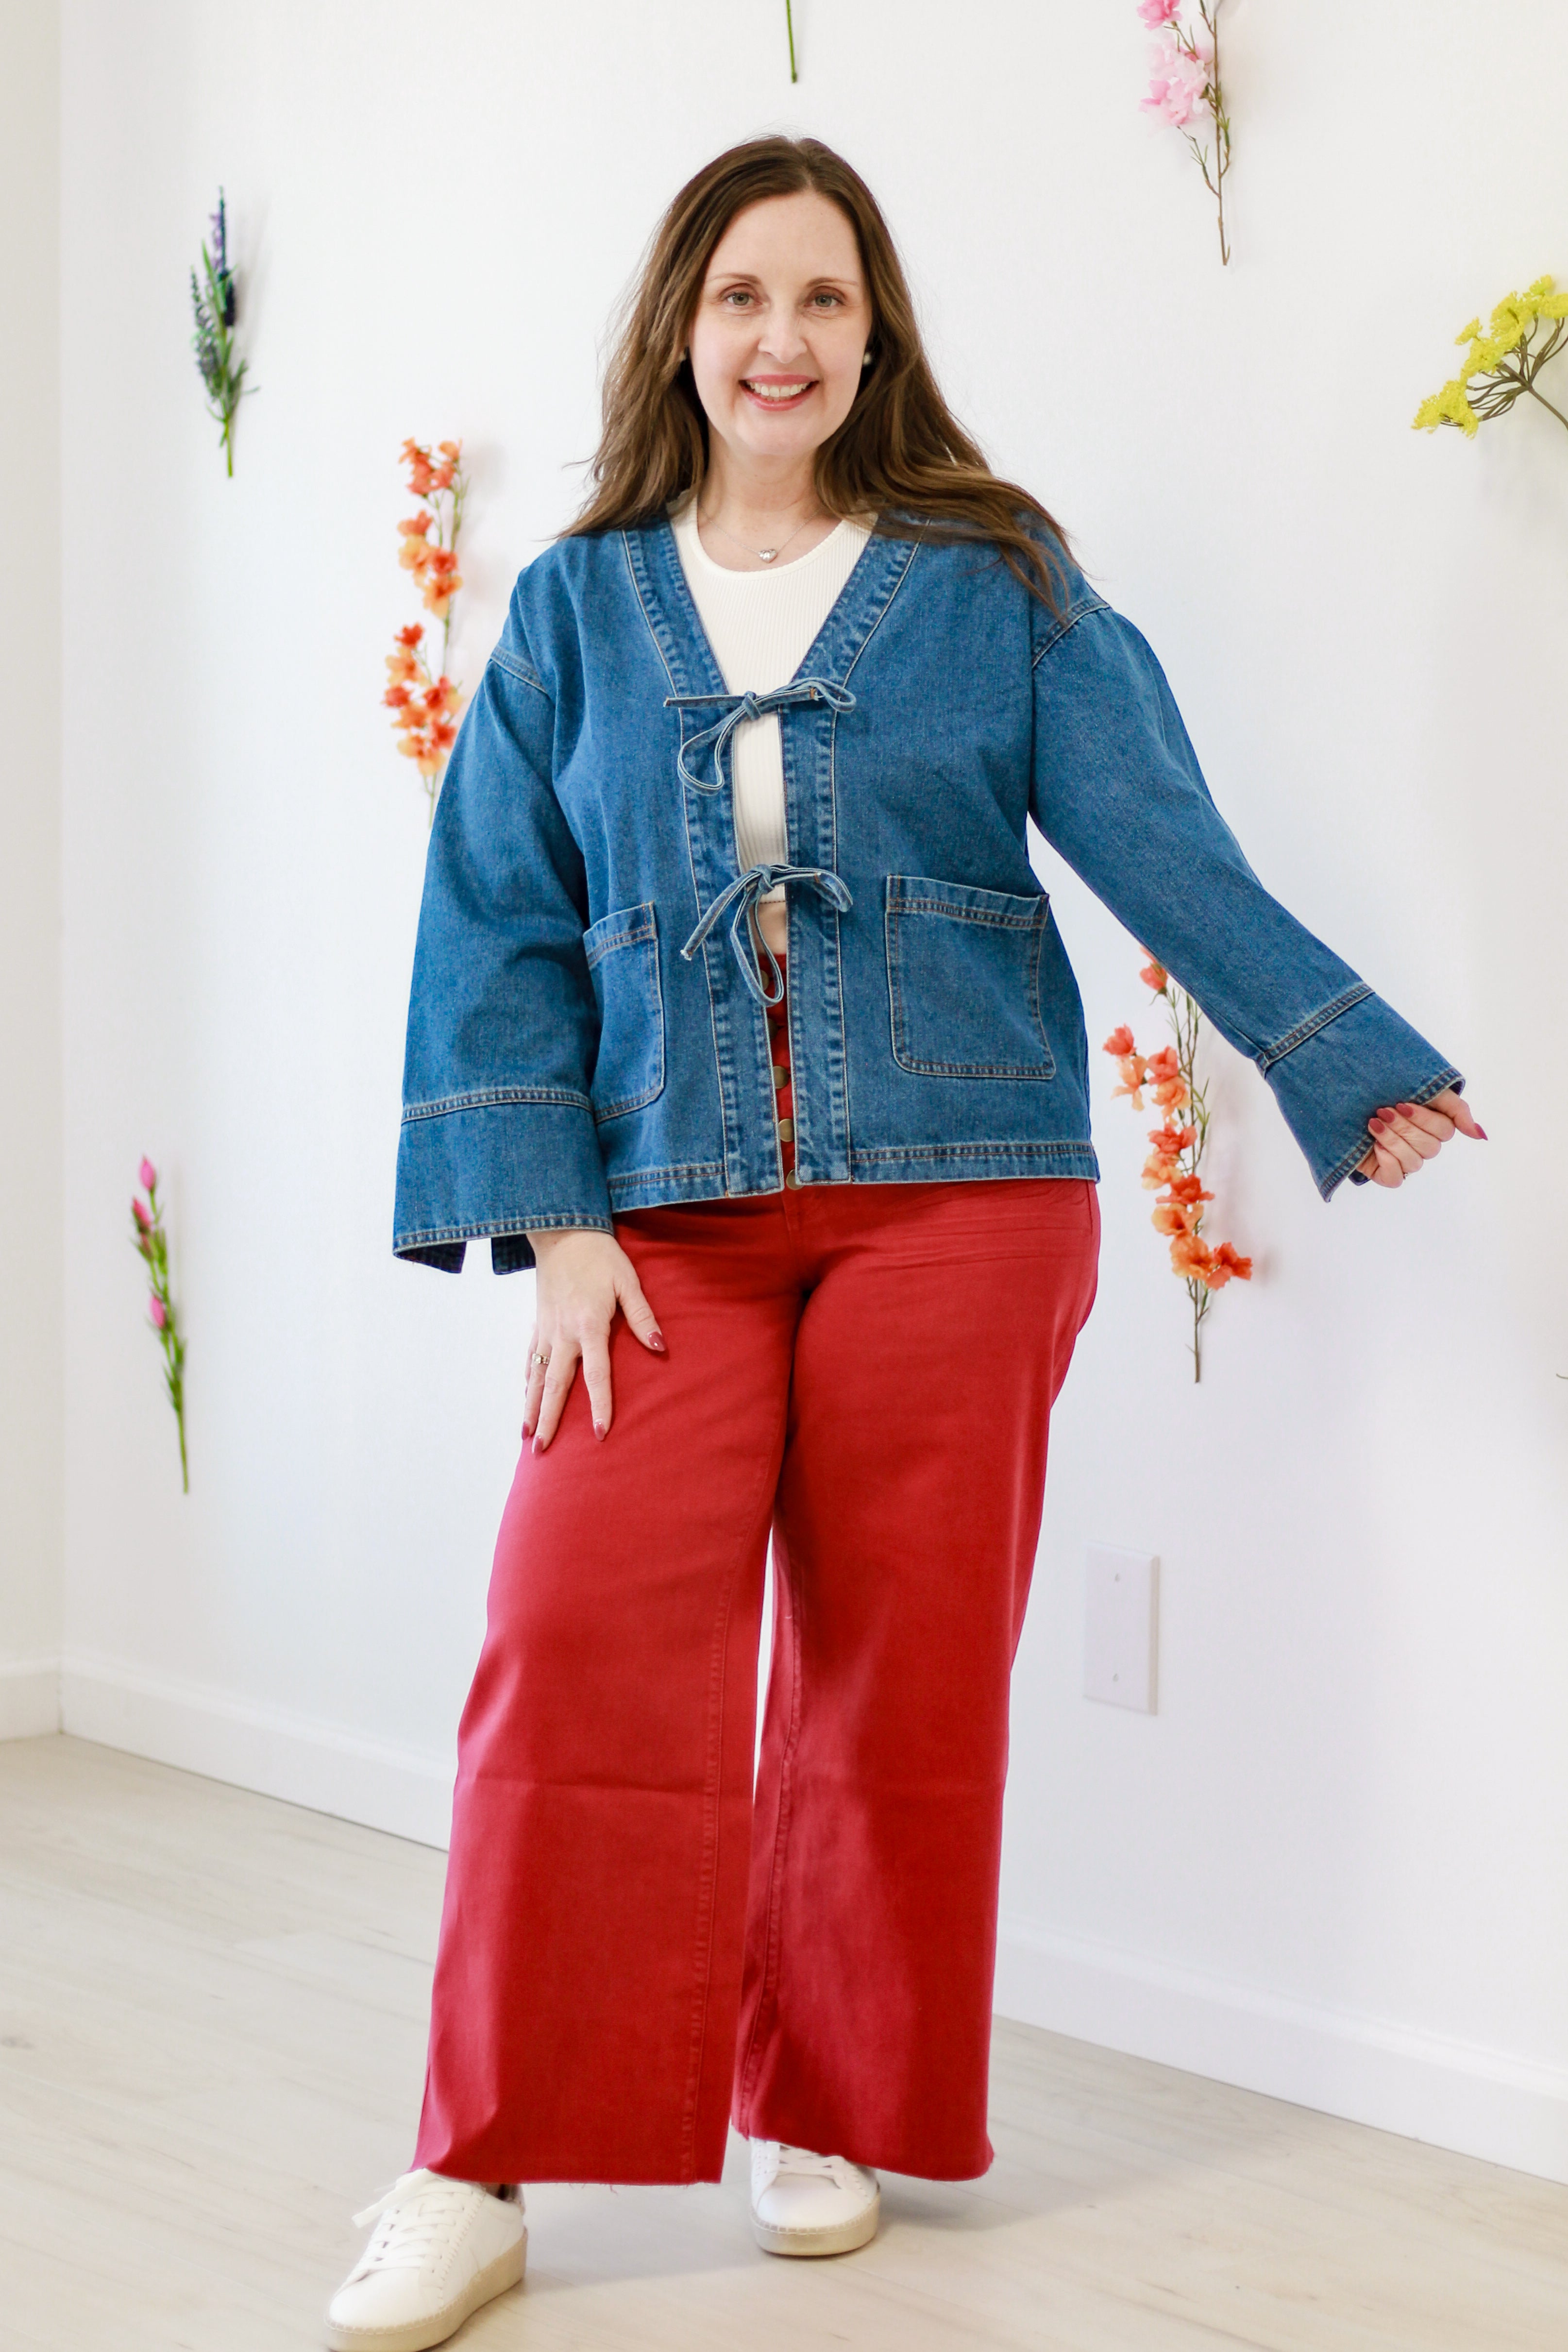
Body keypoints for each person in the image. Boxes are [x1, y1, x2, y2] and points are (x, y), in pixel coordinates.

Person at [325, 135, 1484, 2351]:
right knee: (568, 1642)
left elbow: (1157, 834)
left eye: (825, 300)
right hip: (660, 1216)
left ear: (876, 339)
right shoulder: (574, 606)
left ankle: (824, 2104)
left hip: (964, 1191)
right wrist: (555, 1221)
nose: (783, 338)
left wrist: (1336, 1055)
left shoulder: (991, 573)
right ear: (683, 327)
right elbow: (492, 921)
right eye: (743, 296)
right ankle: (472, 2163)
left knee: (897, 1676)